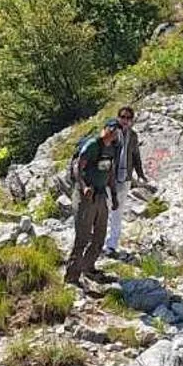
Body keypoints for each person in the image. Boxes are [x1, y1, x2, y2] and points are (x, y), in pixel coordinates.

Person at [64, 120, 120, 285]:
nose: (112, 132)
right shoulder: (91, 145)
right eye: (110, 129)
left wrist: (114, 196)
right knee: (82, 237)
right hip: (86, 196)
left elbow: (110, 173)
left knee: (100, 236)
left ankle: (88, 268)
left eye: (115, 131)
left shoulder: (112, 149)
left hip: (102, 195)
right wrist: (84, 187)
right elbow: (77, 168)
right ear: (104, 129)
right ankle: (71, 277)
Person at [105, 106, 150, 259]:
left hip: (125, 179)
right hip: (108, 178)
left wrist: (141, 174)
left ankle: (111, 245)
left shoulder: (134, 136)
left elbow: (136, 155)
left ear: (132, 121)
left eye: (128, 118)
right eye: (122, 117)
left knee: (118, 211)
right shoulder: (112, 133)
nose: (125, 120)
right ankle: (99, 243)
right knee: (104, 209)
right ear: (118, 118)